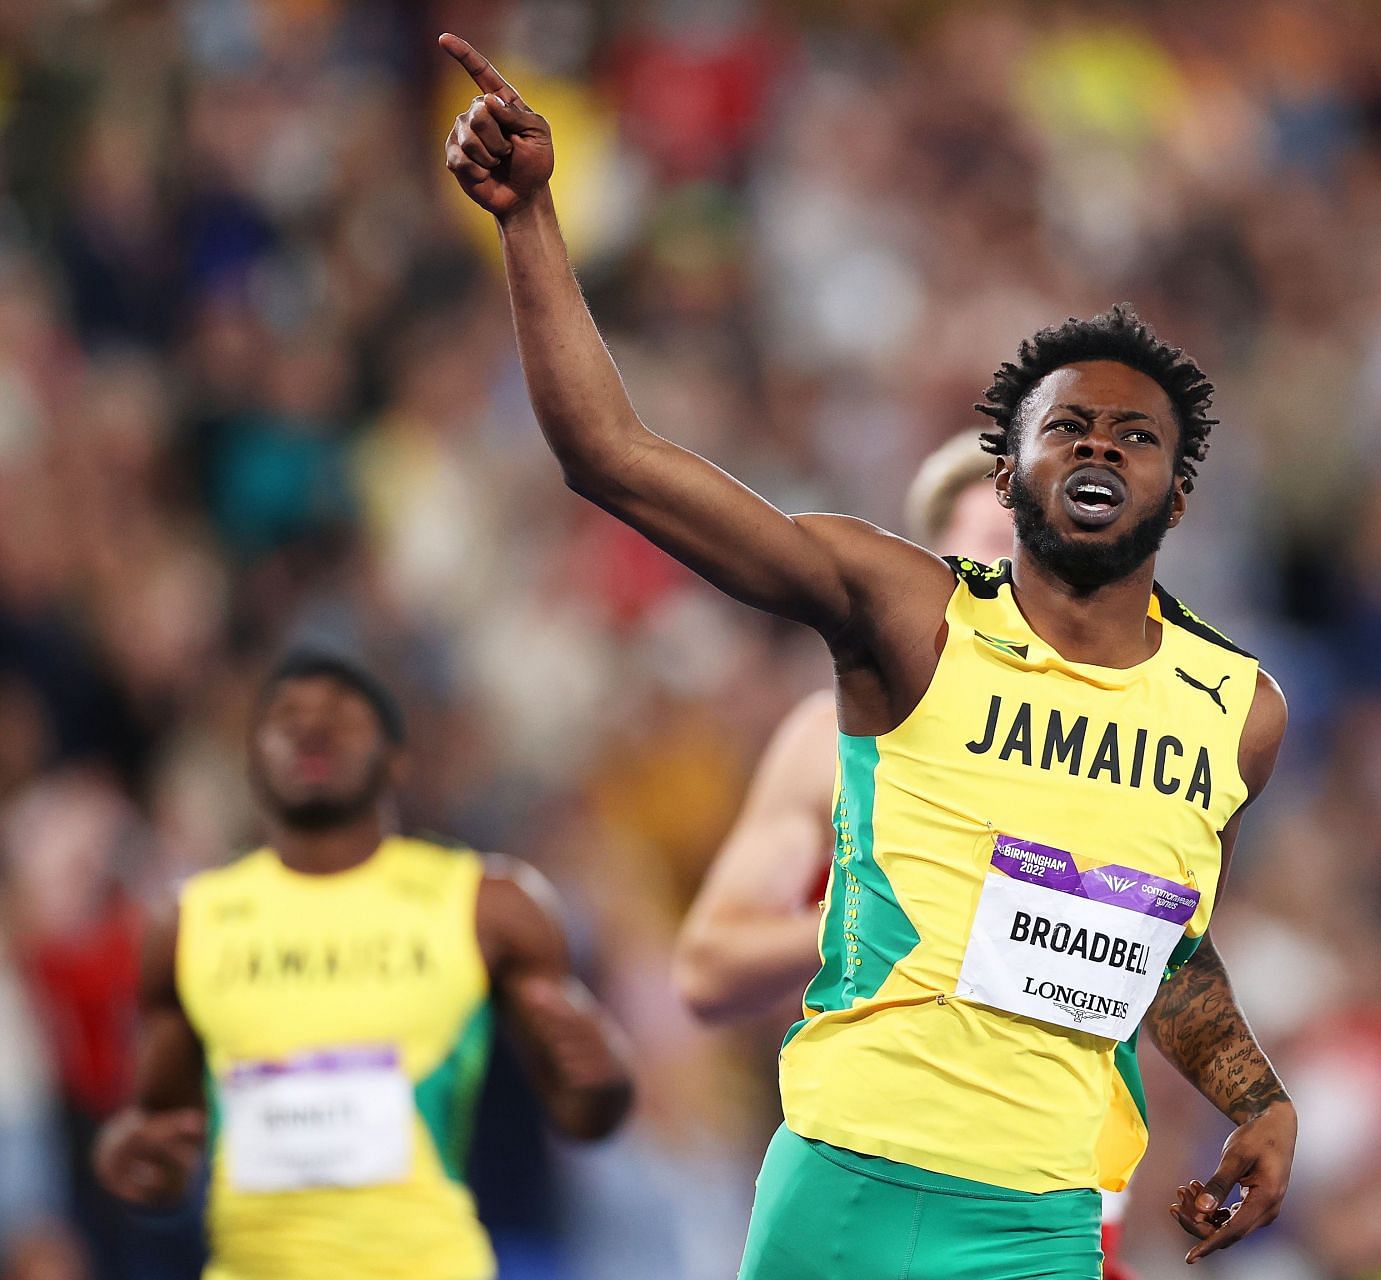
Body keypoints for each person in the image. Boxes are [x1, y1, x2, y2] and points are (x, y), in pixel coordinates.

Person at [439, 35, 1297, 1277]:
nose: (1100, 452)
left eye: (1136, 437)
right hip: (844, 1176)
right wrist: (529, 221)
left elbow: (1159, 941)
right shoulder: (908, 615)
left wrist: (1256, 1097)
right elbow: (610, 454)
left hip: (1040, 1219)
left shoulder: (1238, 714)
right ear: (1008, 471)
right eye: (1066, 429)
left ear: (1180, 494)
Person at [672, 434, 1140, 1279]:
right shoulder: (834, 744)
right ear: (938, 577)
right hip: (875, 1179)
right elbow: (708, 964)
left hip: (1052, 1203)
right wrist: (886, 906)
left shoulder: (1133, 760)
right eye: (995, 552)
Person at [94, 652, 634, 1280]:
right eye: (285, 716)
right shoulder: (187, 924)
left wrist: (610, 1079)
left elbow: (583, 1116)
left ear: (398, 760)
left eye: (343, 715)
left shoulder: (488, 907)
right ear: (250, 762)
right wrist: (126, 1157)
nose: (312, 728)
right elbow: (163, 1140)